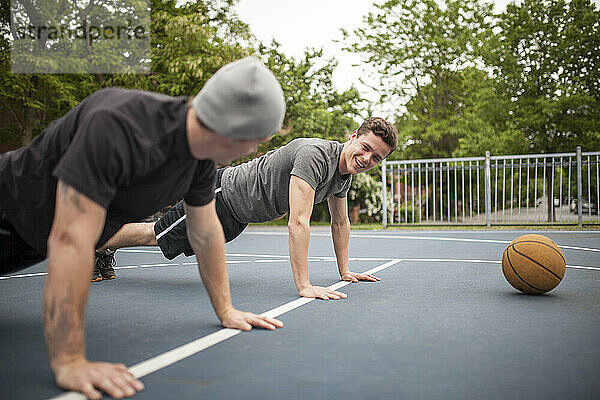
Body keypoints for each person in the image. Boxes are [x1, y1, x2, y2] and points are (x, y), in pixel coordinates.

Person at [0, 56, 286, 399]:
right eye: (256, 139)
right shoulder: (117, 125)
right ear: (231, 126)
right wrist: (70, 360)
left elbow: (206, 234)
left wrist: (226, 310)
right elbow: (72, 239)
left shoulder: (200, 160)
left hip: (29, 241)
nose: (254, 150)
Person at [94, 117, 398, 300]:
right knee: (156, 235)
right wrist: (304, 285)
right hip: (220, 195)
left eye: (377, 158)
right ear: (353, 137)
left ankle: (104, 245)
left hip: (237, 216)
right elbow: (299, 222)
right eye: (366, 148)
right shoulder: (316, 155)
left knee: (168, 240)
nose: (368, 158)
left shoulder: (342, 175)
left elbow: (340, 222)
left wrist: (344, 271)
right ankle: (91, 241)